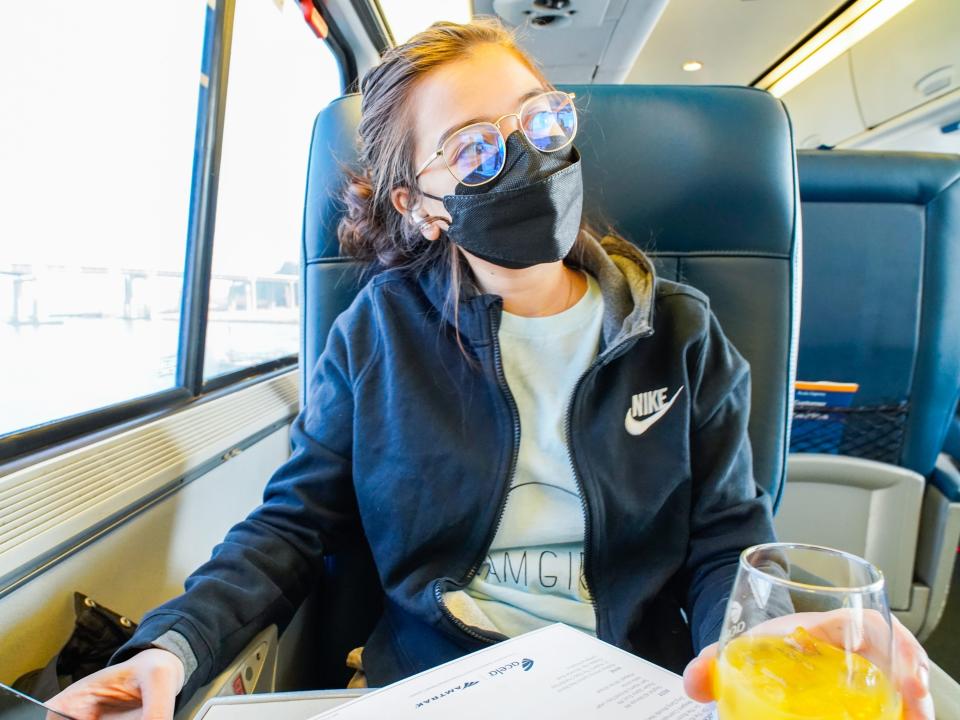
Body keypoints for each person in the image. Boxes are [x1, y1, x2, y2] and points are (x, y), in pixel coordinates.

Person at [49, 18, 933, 720]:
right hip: (436, 686)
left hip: (636, 686)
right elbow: (289, 529)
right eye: (474, 149)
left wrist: (759, 648)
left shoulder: (678, 334)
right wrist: (172, 646)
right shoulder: (381, 334)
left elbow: (725, 547)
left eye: (541, 120)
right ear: (421, 207)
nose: (527, 156)